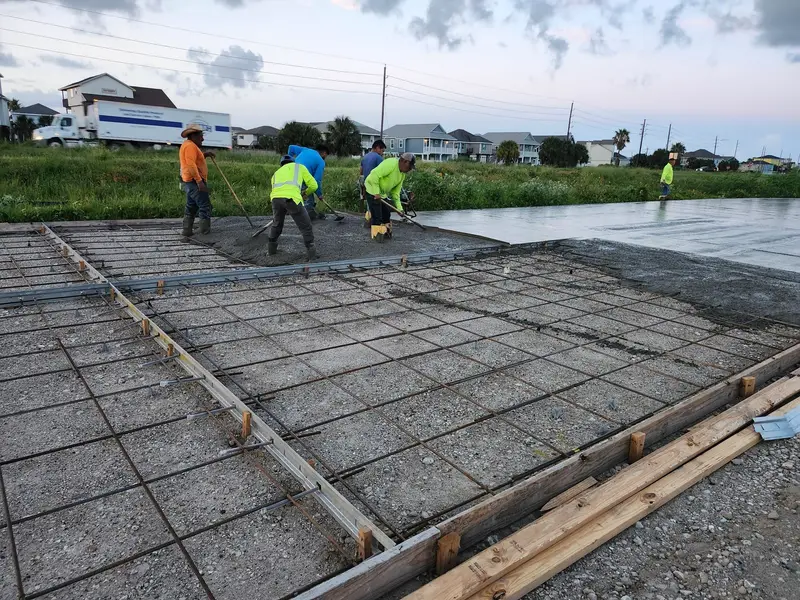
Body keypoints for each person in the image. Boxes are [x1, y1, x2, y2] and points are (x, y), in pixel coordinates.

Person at [268, 154, 319, 261]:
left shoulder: (276, 173)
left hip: (275, 199)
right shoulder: (299, 167)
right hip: (292, 199)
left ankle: (271, 251)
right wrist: (305, 194)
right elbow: (314, 185)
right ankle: (312, 255)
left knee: (277, 224)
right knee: (306, 226)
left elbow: (277, 191)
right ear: (293, 162)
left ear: (282, 164)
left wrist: (284, 207)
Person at [364, 152, 415, 243]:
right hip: (372, 189)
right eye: (410, 167)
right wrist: (376, 192)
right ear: (405, 162)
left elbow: (395, 193)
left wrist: (400, 209)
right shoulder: (391, 164)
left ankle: (386, 232)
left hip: (382, 194)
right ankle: (377, 237)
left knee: (386, 214)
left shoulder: (402, 174)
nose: (410, 170)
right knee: (377, 215)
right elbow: (374, 175)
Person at [180, 123, 215, 237]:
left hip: (190, 182)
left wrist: (204, 155)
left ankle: (187, 230)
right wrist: (199, 181)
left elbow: (195, 159)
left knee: (191, 206)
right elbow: (191, 165)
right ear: (193, 136)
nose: (202, 139)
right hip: (194, 182)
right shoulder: (190, 146)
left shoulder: (189, 145)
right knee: (205, 206)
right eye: (200, 136)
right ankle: (205, 233)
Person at [288, 143, 329, 220]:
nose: (325, 157)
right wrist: (319, 194)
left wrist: (288, 162)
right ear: (324, 153)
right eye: (326, 155)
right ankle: (305, 218)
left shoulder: (305, 150)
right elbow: (317, 180)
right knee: (309, 201)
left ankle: (300, 212)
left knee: (300, 196)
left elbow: (291, 147)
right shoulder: (321, 162)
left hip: (291, 174)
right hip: (303, 178)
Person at [360, 140, 386, 228]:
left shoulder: (365, 157)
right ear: (378, 148)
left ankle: (370, 223)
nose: (382, 153)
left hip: (366, 185)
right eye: (382, 151)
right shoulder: (378, 158)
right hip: (375, 187)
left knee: (370, 206)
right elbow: (383, 173)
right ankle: (377, 228)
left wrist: (362, 187)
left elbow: (361, 172)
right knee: (378, 210)